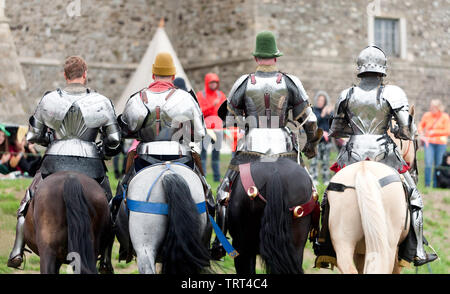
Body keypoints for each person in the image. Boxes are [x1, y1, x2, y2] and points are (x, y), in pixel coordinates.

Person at [315, 45, 437, 267]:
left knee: (328, 198)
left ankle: (322, 243)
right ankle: (418, 249)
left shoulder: (347, 94)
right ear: (383, 70)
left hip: (352, 154)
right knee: (414, 196)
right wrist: (399, 129)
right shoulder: (393, 93)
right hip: (385, 155)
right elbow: (407, 131)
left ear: (359, 69)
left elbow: (336, 130)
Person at [211, 31, 321, 259]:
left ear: (256, 58)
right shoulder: (291, 82)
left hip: (251, 146)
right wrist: (311, 146)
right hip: (285, 147)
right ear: (275, 57)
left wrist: (242, 120)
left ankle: (219, 242)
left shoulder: (244, 82)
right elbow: (310, 121)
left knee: (224, 192)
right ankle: (318, 236)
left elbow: (228, 116)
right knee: (310, 190)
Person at [7, 56, 121, 268]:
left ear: (64, 75)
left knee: (28, 201)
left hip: (54, 160)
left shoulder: (49, 99)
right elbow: (114, 139)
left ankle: (17, 249)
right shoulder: (101, 101)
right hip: (90, 162)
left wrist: (50, 140)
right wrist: (102, 150)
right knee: (108, 204)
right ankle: (105, 258)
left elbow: (32, 136)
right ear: (85, 74)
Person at [111, 52, 214, 223]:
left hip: (145, 158)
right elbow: (199, 134)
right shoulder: (186, 98)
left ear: (153, 75)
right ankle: (212, 230)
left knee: (122, 192)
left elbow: (126, 130)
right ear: (173, 76)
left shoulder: (137, 98)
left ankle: (121, 233)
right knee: (207, 194)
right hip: (180, 157)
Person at [196, 73, 227, 182]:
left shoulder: (221, 95)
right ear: (207, 83)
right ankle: (203, 177)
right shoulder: (201, 95)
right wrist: (212, 106)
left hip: (218, 128)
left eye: (215, 82)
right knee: (203, 154)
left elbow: (225, 111)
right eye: (212, 82)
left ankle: (217, 178)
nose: (214, 84)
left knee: (216, 155)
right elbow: (199, 112)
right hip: (206, 128)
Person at [418, 99, 450, 188]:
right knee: (428, 163)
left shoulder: (445, 117)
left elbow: (447, 131)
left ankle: (436, 185)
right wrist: (421, 133)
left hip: (441, 143)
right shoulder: (427, 115)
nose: (431, 108)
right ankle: (427, 185)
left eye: (433, 107)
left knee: (438, 164)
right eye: (431, 106)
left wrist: (433, 132)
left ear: (438, 108)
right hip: (429, 143)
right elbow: (421, 125)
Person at [310, 91, 333, 186]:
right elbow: (314, 122)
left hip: (326, 142)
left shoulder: (327, 111)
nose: (320, 102)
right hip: (316, 141)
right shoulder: (313, 110)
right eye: (319, 100)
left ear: (325, 101)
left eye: (322, 100)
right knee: (314, 161)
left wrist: (331, 113)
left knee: (325, 161)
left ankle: (325, 179)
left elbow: (332, 124)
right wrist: (322, 115)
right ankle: (313, 179)